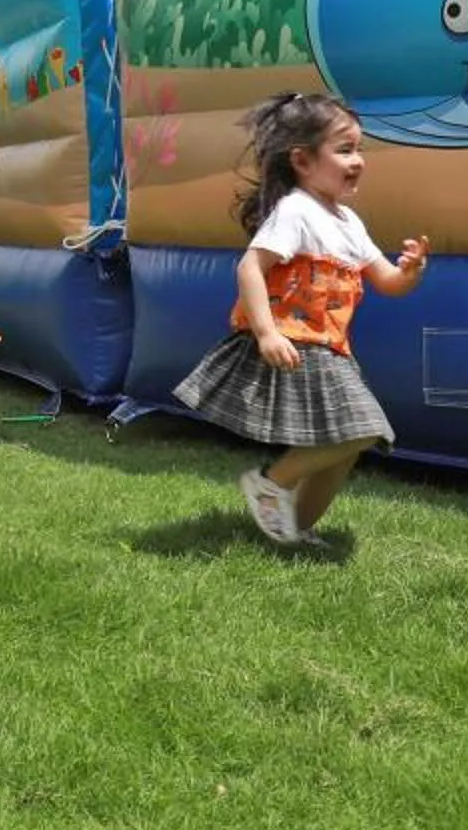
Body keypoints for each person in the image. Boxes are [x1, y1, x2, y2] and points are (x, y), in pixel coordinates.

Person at [172, 90, 429, 549]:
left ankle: (294, 529)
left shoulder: (348, 220)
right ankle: (272, 482)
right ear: (303, 161)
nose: (358, 160)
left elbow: (387, 282)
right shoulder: (295, 210)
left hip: (330, 348)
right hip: (297, 341)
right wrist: (267, 331)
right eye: (344, 149)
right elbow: (250, 267)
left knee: (344, 449)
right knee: (364, 430)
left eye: (360, 150)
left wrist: (410, 271)